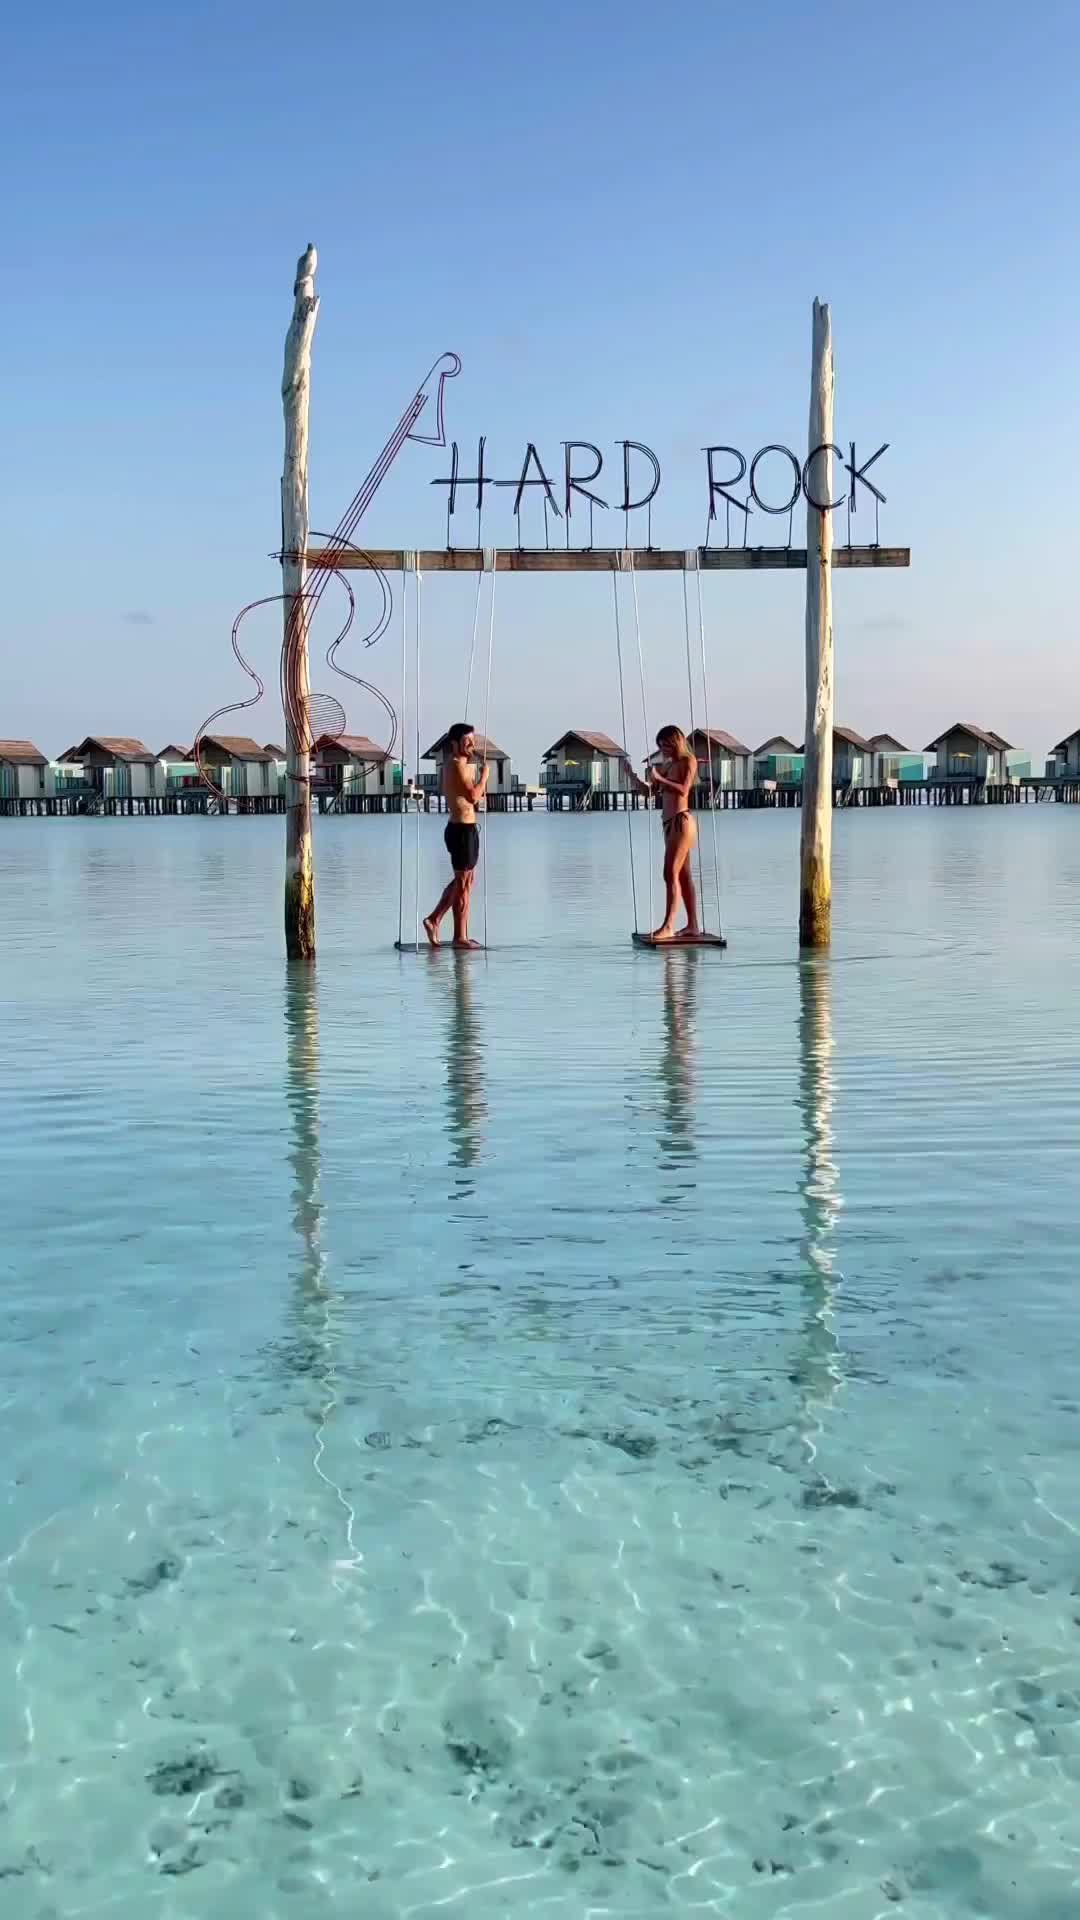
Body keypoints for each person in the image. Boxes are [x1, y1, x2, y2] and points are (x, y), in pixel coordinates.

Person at [623, 726, 701, 941]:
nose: (662, 749)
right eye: (660, 746)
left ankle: (668, 926)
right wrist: (632, 775)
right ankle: (693, 925)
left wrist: (660, 777)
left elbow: (684, 789)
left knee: (669, 873)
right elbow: (648, 793)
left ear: (676, 741)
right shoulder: (668, 766)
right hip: (668, 824)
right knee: (683, 876)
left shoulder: (688, 761)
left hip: (681, 822)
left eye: (665, 744)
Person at [423, 721, 488, 947]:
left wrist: (477, 777)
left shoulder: (463, 765)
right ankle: (459, 937)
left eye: (473, 740)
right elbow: (473, 796)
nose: (471, 744)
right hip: (460, 830)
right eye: (466, 741)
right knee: (463, 884)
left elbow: (472, 797)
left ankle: (434, 919)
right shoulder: (455, 765)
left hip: (467, 828)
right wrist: (485, 776)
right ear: (454, 743)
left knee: (467, 880)